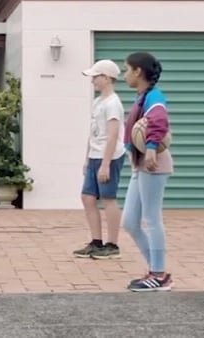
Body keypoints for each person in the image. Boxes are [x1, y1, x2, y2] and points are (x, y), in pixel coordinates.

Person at [120, 52, 174, 292]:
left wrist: (151, 149)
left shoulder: (154, 96)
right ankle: (155, 270)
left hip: (153, 164)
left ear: (137, 72)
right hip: (141, 164)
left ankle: (159, 274)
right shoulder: (143, 97)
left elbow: (159, 120)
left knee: (151, 219)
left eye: (126, 70)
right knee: (130, 222)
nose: (124, 75)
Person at [73, 59, 126, 260]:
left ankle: (112, 245)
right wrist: (87, 158)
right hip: (95, 155)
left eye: (96, 77)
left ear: (106, 78)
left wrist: (105, 163)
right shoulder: (98, 102)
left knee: (108, 199)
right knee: (87, 197)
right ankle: (96, 242)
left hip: (109, 157)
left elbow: (113, 135)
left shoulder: (113, 103)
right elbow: (93, 133)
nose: (93, 81)